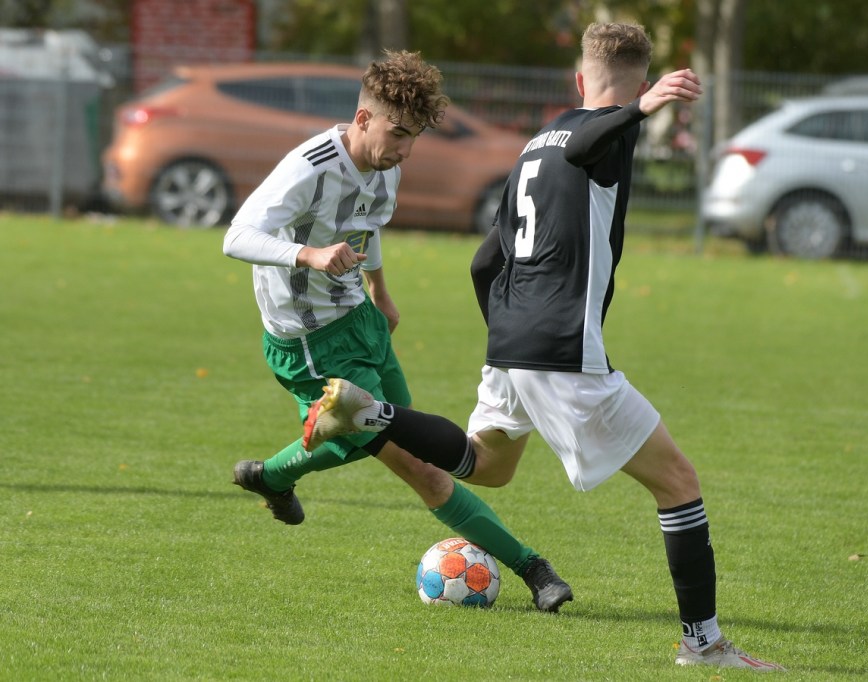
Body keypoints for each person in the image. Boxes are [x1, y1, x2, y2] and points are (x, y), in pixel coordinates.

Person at [302, 25, 784, 671]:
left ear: (579, 80)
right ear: (637, 87)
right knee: (679, 483)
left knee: (486, 466)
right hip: (560, 347)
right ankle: (704, 644)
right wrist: (640, 111)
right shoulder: (607, 133)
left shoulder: (536, 145)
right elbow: (591, 141)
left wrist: (507, 337)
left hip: (514, 341)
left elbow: (484, 262)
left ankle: (372, 414)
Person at [222, 49, 573, 613]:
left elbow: (367, 227)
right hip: (311, 344)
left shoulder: (386, 166)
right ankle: (534, 569)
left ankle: (273, 476)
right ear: (363, 119)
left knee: (396, 431)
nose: (406, 149)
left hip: (360, 320)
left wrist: (380, 291)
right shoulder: (309, 167)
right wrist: (309, 255)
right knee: (421, 467)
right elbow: (236, 236)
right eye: (399, 134)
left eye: (415, 137)